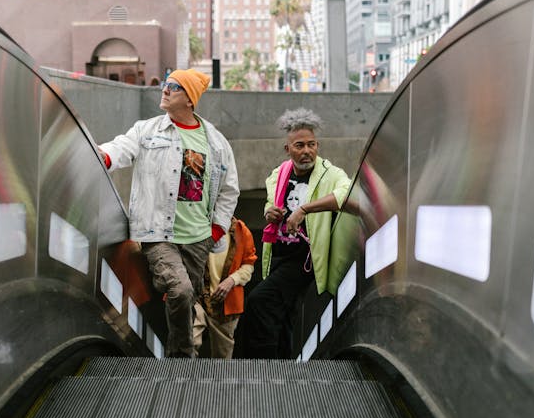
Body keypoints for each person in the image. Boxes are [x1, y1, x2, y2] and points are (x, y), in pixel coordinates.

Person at [97, 69, 239, 358]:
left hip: (198, 237)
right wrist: (104, 155)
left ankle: (174, 350)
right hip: (157, 233)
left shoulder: (215, 141)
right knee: (181, 291)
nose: (165, 90)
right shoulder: (147, 130)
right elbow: (121, 147)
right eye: (165, 84)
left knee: (187, 298)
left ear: (190, 100)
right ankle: (182, 357)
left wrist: (216, 230)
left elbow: (229, 189)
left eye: (173, 87)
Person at [241, 108, 351, 359]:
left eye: (311, 145)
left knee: (260, 301)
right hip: (278, 254)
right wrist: (270, 212)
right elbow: (270, 203)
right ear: (287, 149)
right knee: (282, 315)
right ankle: (283, 365)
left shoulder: (330, 173)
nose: (306, 151)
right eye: (299, 145)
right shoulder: (278, 175)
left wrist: (304, 209)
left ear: (318, 145)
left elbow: (346, 194)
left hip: (305, 260)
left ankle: (262, 364)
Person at [193, 217, 257, 359]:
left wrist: (232, 280)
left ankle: (220, 381)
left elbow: (249, 264)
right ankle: (182, 379)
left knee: (222, 355)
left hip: (226, 302)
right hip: (197, 296)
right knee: (189, 340)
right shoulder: (194, 223)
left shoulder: (241, 230)